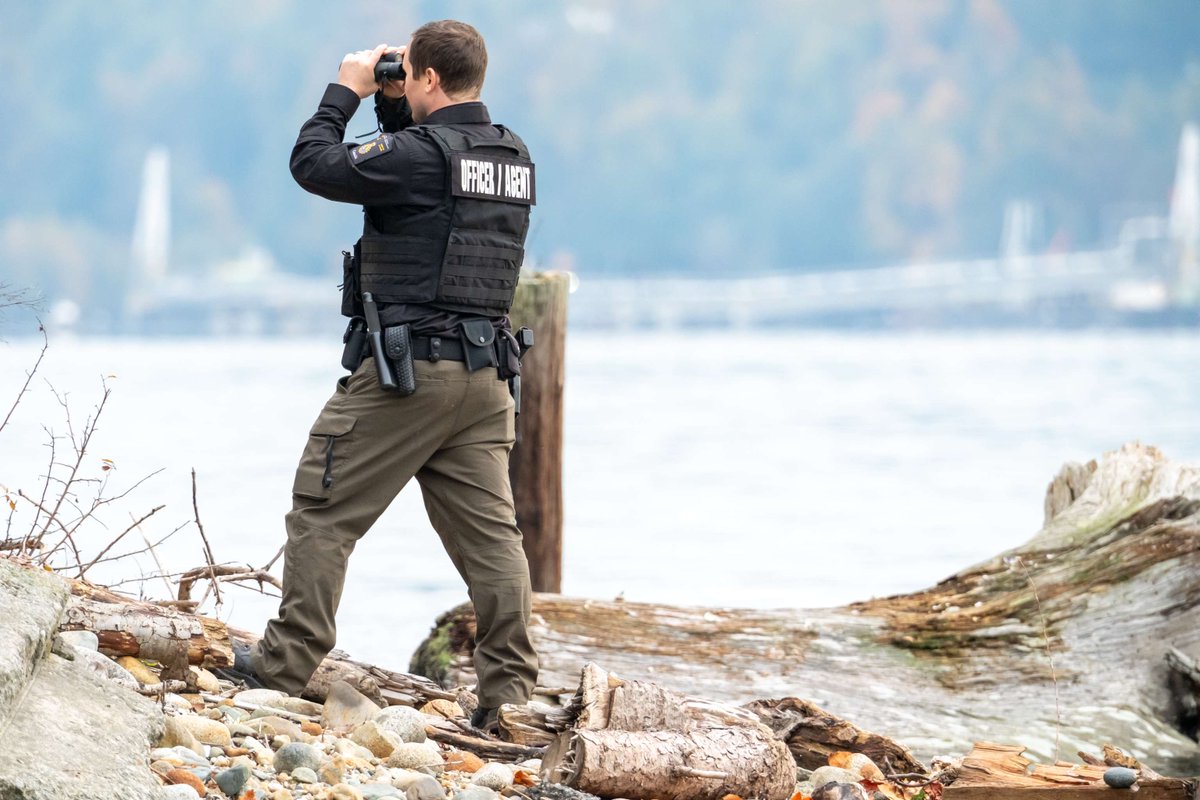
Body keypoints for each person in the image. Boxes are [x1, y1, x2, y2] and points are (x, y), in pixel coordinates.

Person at [234, 20, 539, 734]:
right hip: (484, 381)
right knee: (494, 545)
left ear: (429, 77)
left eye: (412, 77)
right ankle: (512, 696)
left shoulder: (420, 155)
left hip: (410, 377)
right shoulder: (512, 155)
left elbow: (316, 163)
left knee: (323, 506)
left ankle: (284, 665)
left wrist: (347, 88)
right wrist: (395, 105)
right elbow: (420, 176)